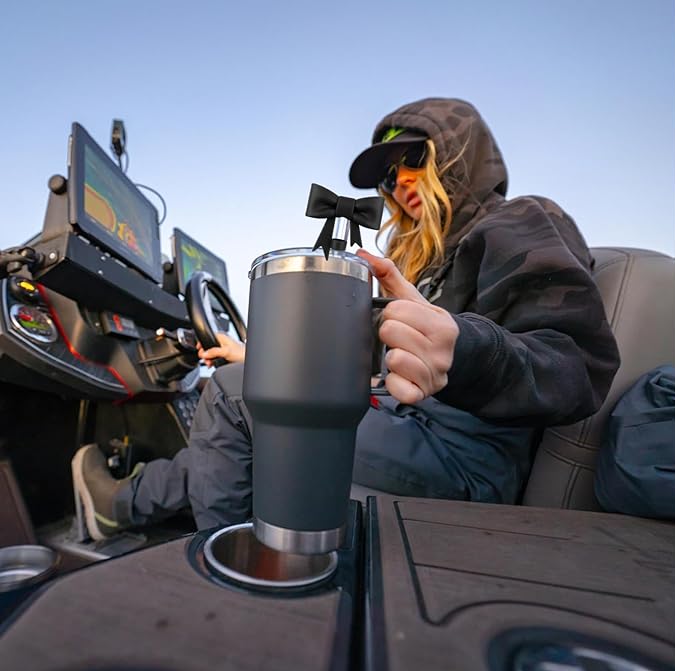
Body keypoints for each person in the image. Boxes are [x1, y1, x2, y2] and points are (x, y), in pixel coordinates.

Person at [72, 97, 620, 540]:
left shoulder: (517, 222)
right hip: (410, 425)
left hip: (466, 460)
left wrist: (463, 349)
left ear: (456, 155)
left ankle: (225, 571)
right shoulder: (424, 260)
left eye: (413, 159)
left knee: (232, 397)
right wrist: (260, 357)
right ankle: (125, 504)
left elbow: (573, 364)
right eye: (388, 176)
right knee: (254, 397)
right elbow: (372, 361)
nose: (399, 182)